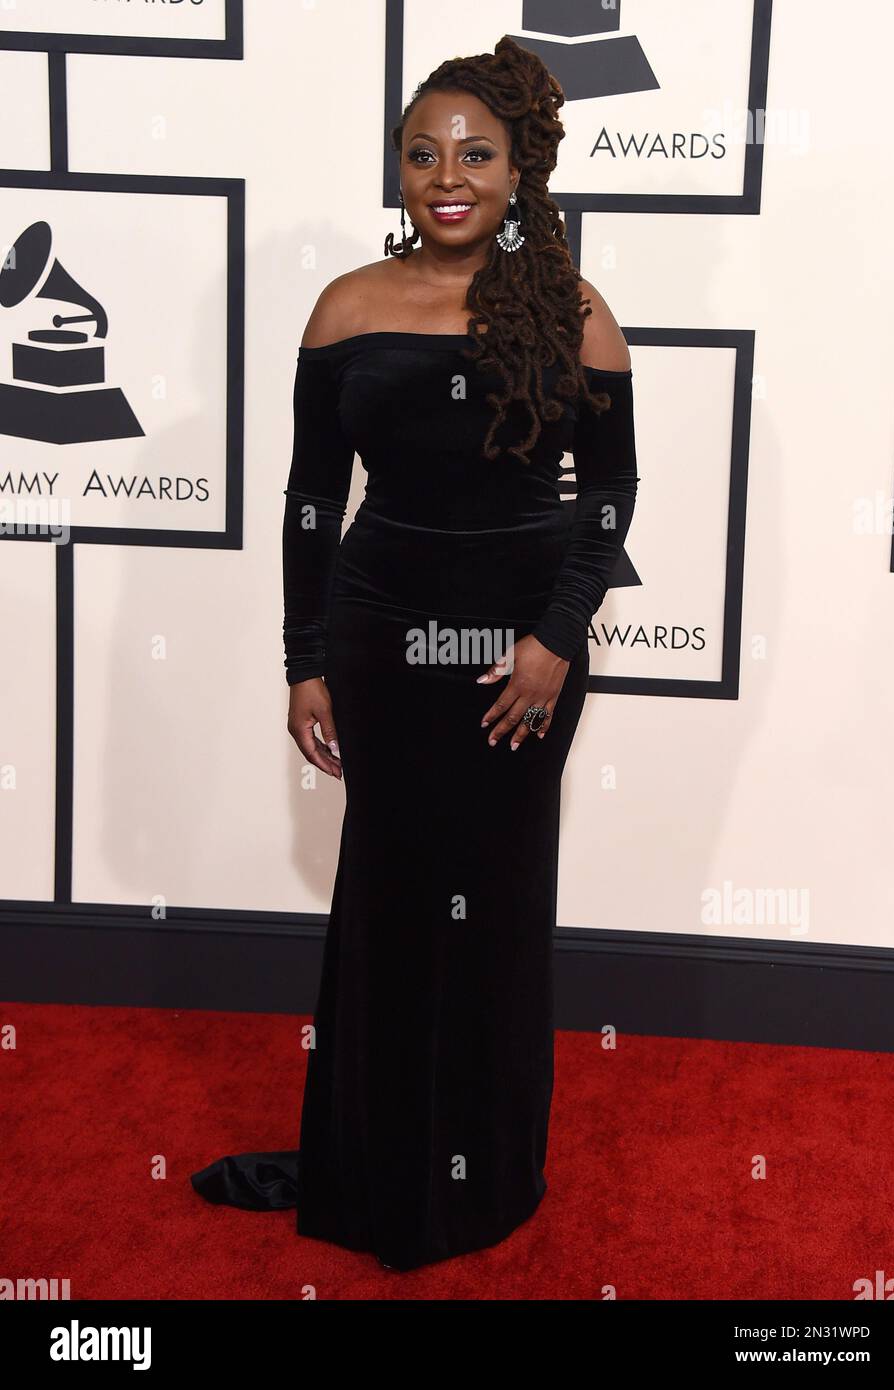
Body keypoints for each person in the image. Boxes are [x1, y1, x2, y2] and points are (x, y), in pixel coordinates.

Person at [190, 34, 640, 1273]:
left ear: (519, 170)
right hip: (381, 639)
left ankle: (481, 1176)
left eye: (475, 154)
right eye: (422, 153)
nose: (446, 176)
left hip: (518, 650)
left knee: (495, 897)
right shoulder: (347, 306)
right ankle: (373, 1167)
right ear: (397, 167)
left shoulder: (573, 312)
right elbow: (308, 500)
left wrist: (554, 638)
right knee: (389, 902)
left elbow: (611, 493)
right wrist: (304, 658)